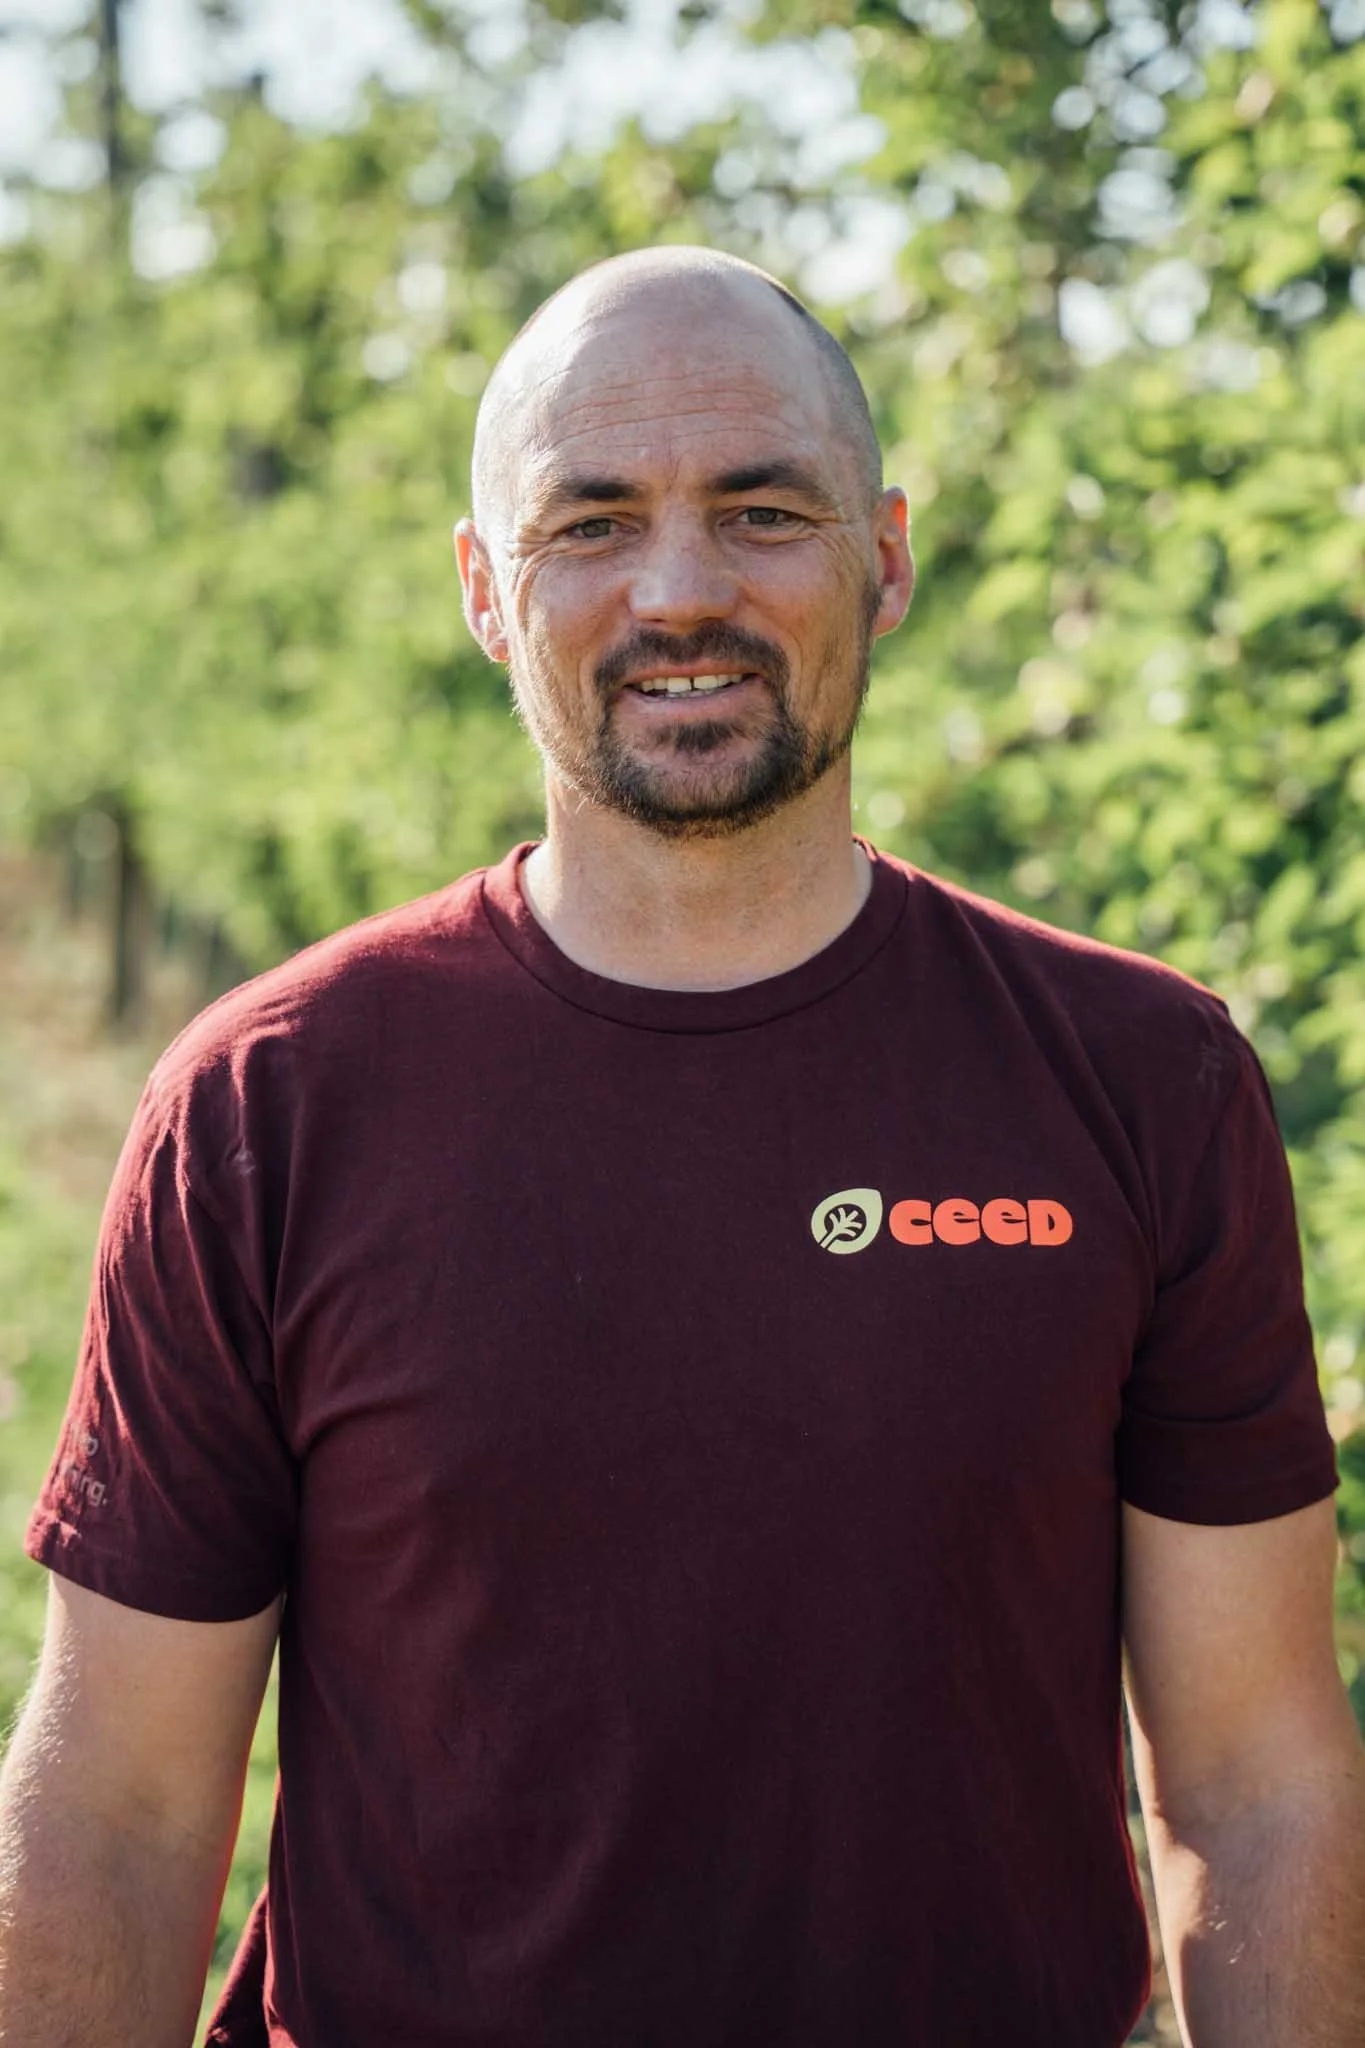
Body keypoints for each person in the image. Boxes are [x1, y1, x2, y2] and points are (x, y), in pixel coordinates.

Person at [1, 244, 1362, 2048]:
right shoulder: (270, 1102)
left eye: (761, 509)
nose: (681, 589)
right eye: (592, 524)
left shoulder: (1137, 1078)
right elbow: (121, 1809)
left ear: (885, 556)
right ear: (488, 591)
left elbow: (1255, 1779)